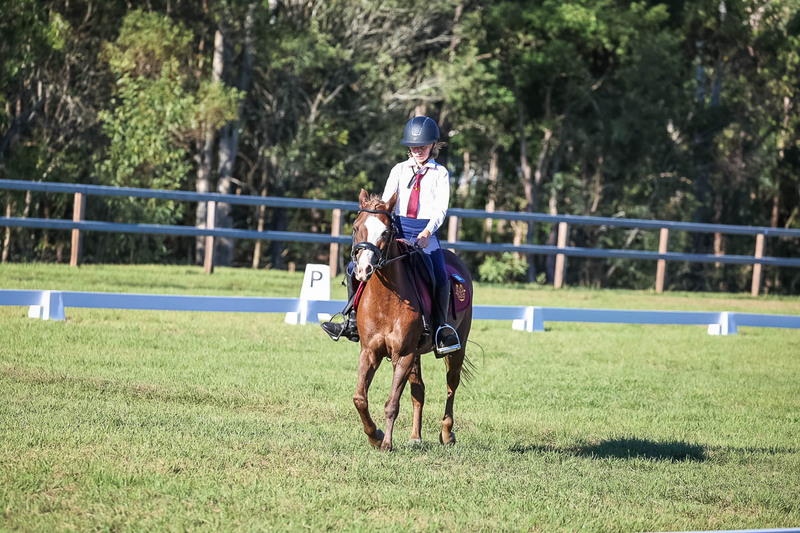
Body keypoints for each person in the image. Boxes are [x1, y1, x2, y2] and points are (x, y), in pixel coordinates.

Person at [321, 115, 461, 355]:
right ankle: (352, 319)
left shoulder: (441, 174)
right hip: (396, 230)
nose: (418, 151)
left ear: (433, 146)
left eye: (423, 146)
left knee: (440, 275)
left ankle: (441, 329)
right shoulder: (399, 170)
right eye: (414, 146)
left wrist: (427, 233)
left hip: (425, 234)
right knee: (354, 267)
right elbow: (387, 202)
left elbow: (441, 209)